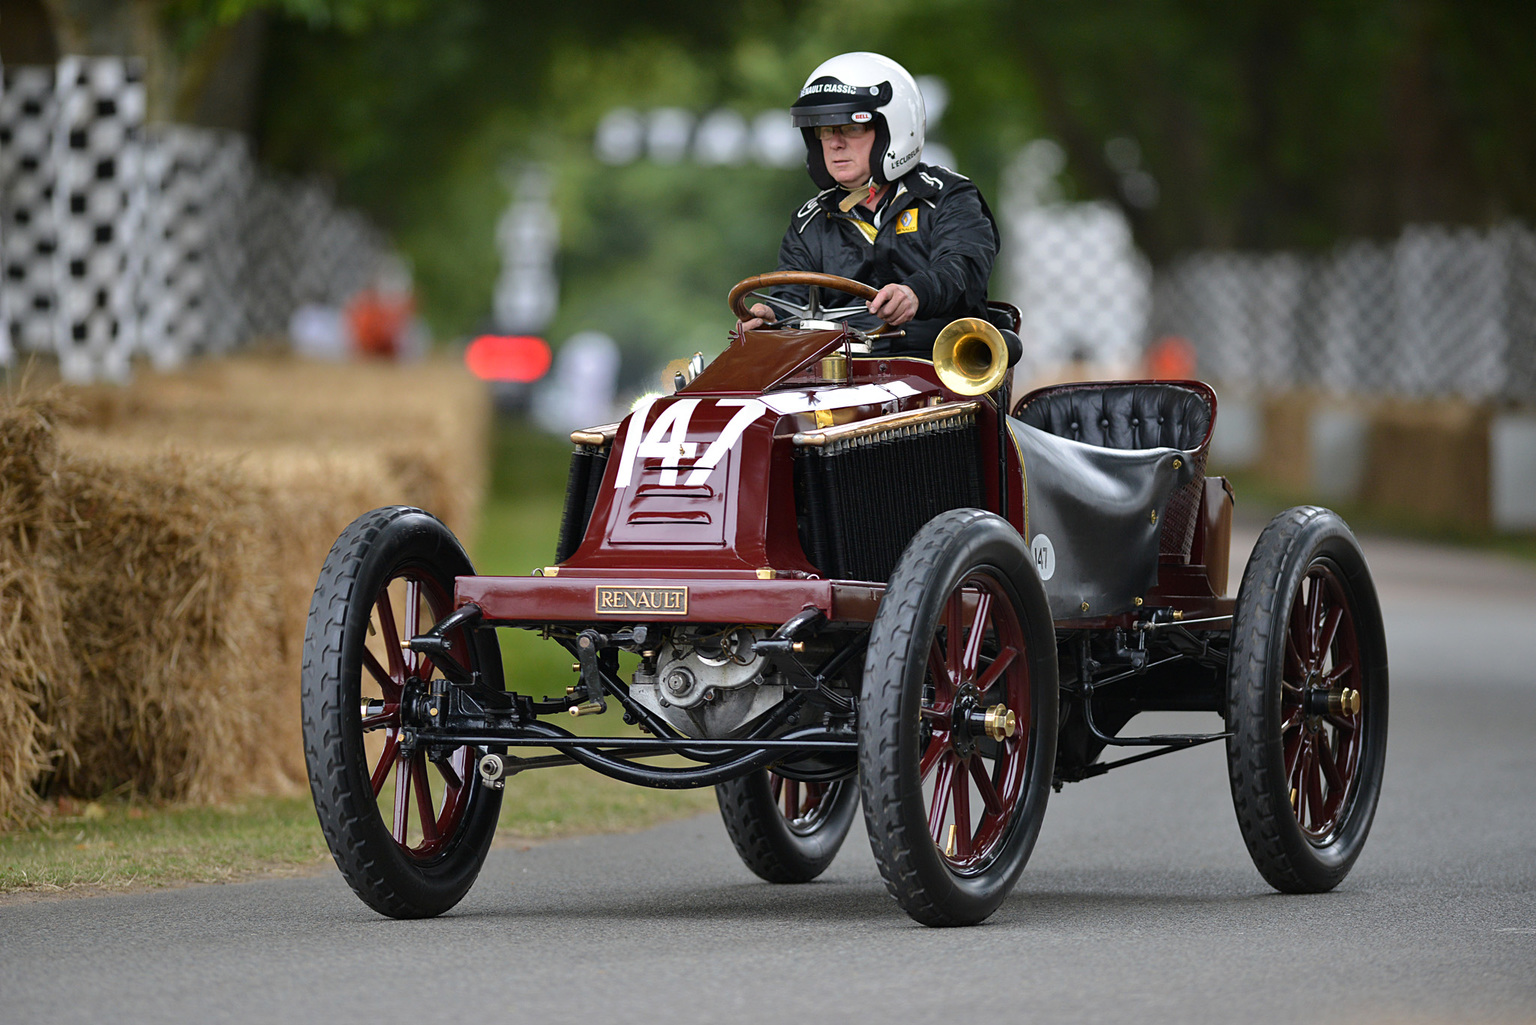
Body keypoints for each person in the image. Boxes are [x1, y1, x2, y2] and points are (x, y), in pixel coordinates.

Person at [741, 52, 1000, 357]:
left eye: (852, 128)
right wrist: (773, 320)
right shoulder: (809, 222)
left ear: (893, 130)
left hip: (939, 369)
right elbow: (793, 303)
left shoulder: (948, 197)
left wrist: (915, 293)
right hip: (840, 381)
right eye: (824, 130)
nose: (835, 143)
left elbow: (962, 268)